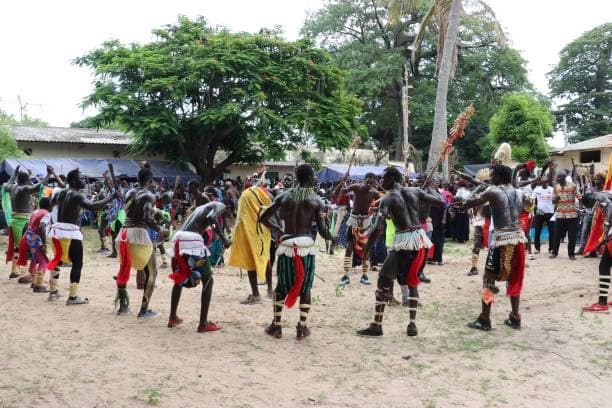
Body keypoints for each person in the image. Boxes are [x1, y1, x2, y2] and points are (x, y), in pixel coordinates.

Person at [356, 167, 445, 337]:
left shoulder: (388, 199)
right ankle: (412, 325)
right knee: (411, 281)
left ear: (392, 178)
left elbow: (378, 227)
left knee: (384, 277)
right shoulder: (415, 191)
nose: (381, 181)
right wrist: (428, 190)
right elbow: (440, 202)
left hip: (405, 240)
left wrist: (366, 251)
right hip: (420, 239)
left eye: (383, 178)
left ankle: (377, 325)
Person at [259, 164, 332, 340]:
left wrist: (279, 231)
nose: (315, 179)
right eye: (313, 176)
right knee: (305, 287)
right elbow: (323, 232)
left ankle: (276, 326)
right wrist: (332, 235)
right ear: (309, 178)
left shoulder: (283, 196)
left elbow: (263, 217)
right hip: (305, 247)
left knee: (281, 286)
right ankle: (302, 327)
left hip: (287, 246)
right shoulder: (317, 200)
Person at [455, 164, 527, 331]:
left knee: (488, 279)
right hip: (518, 238)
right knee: (514, 278)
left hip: (501, 239)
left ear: (500, 177)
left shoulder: (493, 191)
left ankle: (484, 319)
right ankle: (515, 317)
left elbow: (466, 204)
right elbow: (527, 207)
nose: (490, 178)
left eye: (493, 175)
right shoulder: (519, 192)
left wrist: (478, 187)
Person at [48, 168, 119, 303]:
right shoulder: (78, 195)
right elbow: (91, 206)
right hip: (70, 232)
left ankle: (53, 292)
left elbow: (50, 206)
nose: (84, 181)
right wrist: (112, 197)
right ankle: (73, 297)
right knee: (77, 263)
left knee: (57, 260)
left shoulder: (60, 193)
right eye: (81, 178)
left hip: (56, 231)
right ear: (74, 181)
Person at [167, 202, 231, 331]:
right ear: (227, 208)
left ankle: (172, 317)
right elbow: (212, 219)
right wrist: (224, 238)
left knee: (180, 277)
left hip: (180, 237)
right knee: (208, 280)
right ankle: (203, 323)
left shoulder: (201, 207)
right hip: (191, 240)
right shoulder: (219, 206)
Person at [114, 166, 168, 317]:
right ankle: (144, 310)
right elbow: (146, 217)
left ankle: (123, 307)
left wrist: (156, 213)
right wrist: (159, 230)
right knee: (152, 272)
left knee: (124, 268)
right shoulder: (149, 195)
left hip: (124, 234)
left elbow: (132, 211)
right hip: (139, 235)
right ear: (150, 181)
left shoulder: (129, 192)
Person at [227, 172, 272, 304]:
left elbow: (240, 217)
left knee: (250, 261)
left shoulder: (245, 194)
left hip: (249, 231)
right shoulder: (268, 194)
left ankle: (256, 294)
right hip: (264, 231)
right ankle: (270, 290)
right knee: (265, 258)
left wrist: (236, 233)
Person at [3, 165, 53, 281]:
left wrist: (14, 175)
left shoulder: (12, 187)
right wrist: (49, 174)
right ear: (25, 181)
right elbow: (38, 187)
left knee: (17, 246)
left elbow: (6, 184)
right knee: (28, 248)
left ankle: (14, 271)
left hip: (13, 221)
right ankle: (24, 273)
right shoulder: (24, 188)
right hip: (23, 222)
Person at [336, 173, 380, 286]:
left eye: (372, 182)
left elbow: (379, 206)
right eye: (367, 182)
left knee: (366, 249)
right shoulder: (356, 187)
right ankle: (346, 275)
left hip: (366, 222)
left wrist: (374, 209)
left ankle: (364, 276)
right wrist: (342, 181)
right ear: (363, 180)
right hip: (353, 221)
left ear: (375, 183)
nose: (369, 184)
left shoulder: (375, 192)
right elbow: (339, 193)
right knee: (349, 248)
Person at [582, 191, 612, 312]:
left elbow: (610, 208)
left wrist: (606, 230)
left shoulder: (600, 196)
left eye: (589, 205)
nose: (591, 208)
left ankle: (602, 303)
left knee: (604, 266)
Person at [546, 161, 581, 260]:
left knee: (572, 236)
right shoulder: (556, 187)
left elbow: (579, 197)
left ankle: (571, 254)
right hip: (560, 214)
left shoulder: (573, 186)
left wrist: (582, 209)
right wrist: (554, 199)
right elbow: (553, 201)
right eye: (557, 177)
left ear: (564, 177)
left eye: (559, 177)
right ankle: (554, 252)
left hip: (572, 215)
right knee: (556, 235)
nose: (557, 178)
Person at [25, 197, 52, 292]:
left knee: (34, 259)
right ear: (50, 205)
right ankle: (39, 285)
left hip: (29, 238)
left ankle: (33, 282)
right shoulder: (46, 214)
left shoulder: (35, 212)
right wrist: (44, 244)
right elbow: (42, 226)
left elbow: (28, 224)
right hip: (37, 239)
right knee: (43, 261)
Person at [531, 177, 555, 255]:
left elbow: (556, 199)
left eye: (546, 182)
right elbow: (533, 200)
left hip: (550, 212)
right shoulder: (537, 190)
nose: (544, 184)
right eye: (543, 182)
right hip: (540, 212)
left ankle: (551, 249)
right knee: (537, 230)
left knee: (552, 231)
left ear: (548, 182)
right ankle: (537, 248)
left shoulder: (552, 189)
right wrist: (536, 209)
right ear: (541, 183)